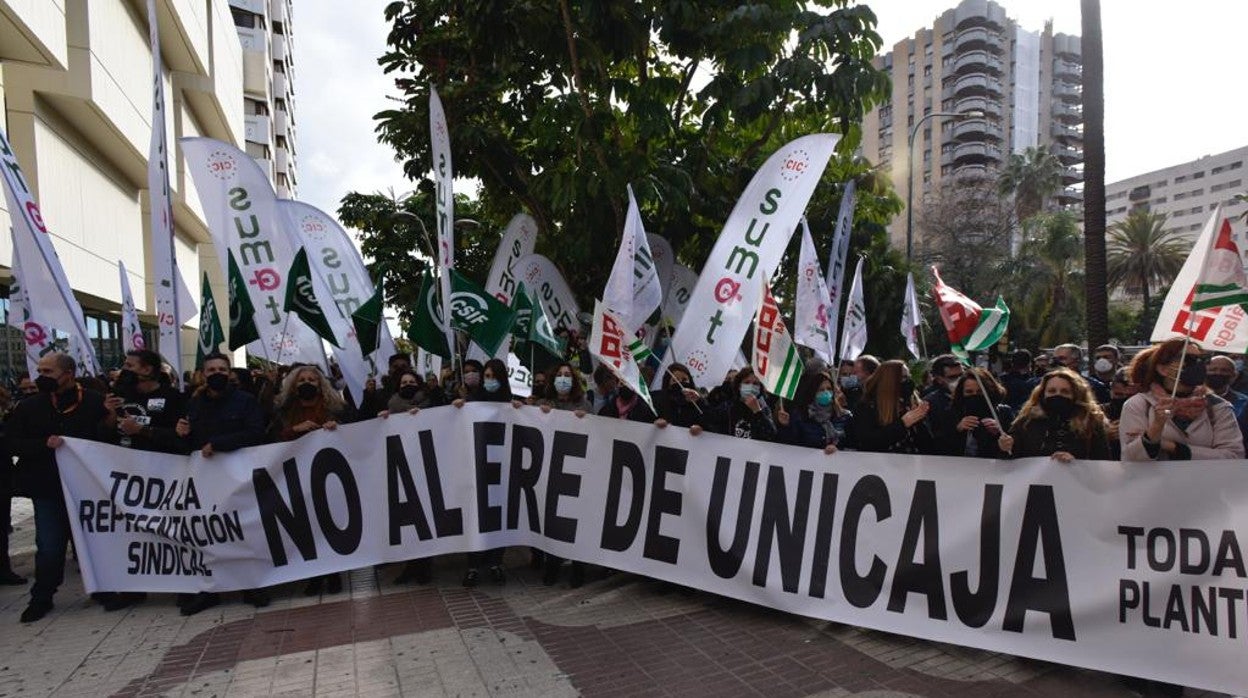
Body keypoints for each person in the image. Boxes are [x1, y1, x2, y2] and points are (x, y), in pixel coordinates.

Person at [7, 353, 109, 622]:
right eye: (40, 371)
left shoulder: (94, 402)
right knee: (49, 545)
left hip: (86, 488)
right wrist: (43, 444)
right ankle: (42, 597)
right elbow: (11, 442)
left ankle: (104, 589)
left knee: (93, 541)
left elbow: (106, 440)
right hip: (47, 488)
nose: (41, 377)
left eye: (48, 372)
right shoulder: (29, 407)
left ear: (68, 374)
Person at [174, 352, 269, 615]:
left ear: (230, 373)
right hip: (206, 480)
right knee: (209, 533)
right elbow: (188, 444)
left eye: (222, 370)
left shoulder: (245, 401)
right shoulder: (194, 404)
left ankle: (251, 586)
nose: (217, 374)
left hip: (238, 478)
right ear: (203, 374)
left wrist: (218, 444)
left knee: (243, 532)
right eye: (212, 370)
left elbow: (255, 433)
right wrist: (182, 434)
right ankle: (211, 590)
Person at [270, 364, 356, 594]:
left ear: (320, 384)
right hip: (296, 477)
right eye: (301, 380)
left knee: (330, 523)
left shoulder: (337, 409)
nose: (306, 383)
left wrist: (338, 428)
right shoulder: (283, 411)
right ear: (293, 385)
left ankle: (334, 572)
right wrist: (293, 430)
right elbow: (270, 440)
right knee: (306, 526)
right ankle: (315, 575)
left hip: (328, 475)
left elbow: (356, 431)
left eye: (311, 380)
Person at [452, 358, 522, 587]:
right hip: (477, 469)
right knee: (477, 516)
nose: (489, 381)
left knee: (498, 517)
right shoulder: (472, 402)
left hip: (501, 470)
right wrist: (458, 408)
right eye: (487, 376)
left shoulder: (511, 404)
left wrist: (523, 410)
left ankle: (495, 563)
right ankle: (473, 565)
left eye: (494, 377)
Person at [1120, 339, 1244, 461]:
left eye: (1203, 360)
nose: (1198, 365)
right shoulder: (1140, 404)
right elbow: (1131, 459)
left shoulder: (1217, 406)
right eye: (1189, 359)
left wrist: (1174, 448)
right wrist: (1156, 427)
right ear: (1163, 369)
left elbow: (1234, 456)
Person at [535, 362, 591, 587]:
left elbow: (596, 432)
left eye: (567, 375)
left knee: (575, 520)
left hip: (577, 471)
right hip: (550, 470)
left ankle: (578, 568)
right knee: (553, 521)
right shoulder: (543, 404)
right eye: (559, 374)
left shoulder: (584, 404)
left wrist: (585, 420)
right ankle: (553, 564)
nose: (563, 378)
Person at [997, 368, 1110, 462]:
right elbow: (1010, 458)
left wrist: (1076, 463)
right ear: (1042, 394)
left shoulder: (1091, 422)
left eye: (1065, 391)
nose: (1057, 395)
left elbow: (1102, 460)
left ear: (1076, 395)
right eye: (1052, 391)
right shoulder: (1027, 420)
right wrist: (1005, 446)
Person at [852, 360, 935, 454]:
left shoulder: (908, 404)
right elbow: (868, 442)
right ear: (889, 381)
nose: (908, 382)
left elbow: (928, 445)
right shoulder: (867, 407)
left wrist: (919, 421)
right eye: (903, 378)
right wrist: (903, 424)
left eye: (908, 377)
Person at [941, 368, 1013, 459]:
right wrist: (958, 429)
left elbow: (1014, 449)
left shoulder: (1003, 413)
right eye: (969, 392)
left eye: (980, 392)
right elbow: (941, 447)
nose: (975, 395)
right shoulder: (952, 412)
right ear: (961, 393)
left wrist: (1000, 434)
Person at [699, 367, 776, 441]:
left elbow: (770, 435)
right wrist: (700, 428)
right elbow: (709, 421)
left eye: (755, 384)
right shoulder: (729, 406)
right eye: (747, 382)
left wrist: (757, 412)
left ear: (760, 388)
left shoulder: (764, 409)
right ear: (739, 386)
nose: (751, 386)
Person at [775, 370, 843, 454]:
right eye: (821, 390)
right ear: (813, 392)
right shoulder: (801, 416)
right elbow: (788, 444)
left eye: (829, 389)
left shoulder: (842, 416)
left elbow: (850, 444)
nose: (826, 392)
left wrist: (837, 448)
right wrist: (785, 427)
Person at [652, 364, 705, 430]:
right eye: (675, 380)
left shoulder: (698, 401)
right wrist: (655, 422)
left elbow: (708, 420)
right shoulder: (657, 399)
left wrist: (700, 427)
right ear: (668, 382)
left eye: (684, 379)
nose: (680, 383)